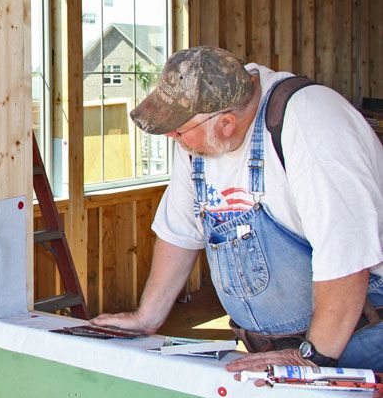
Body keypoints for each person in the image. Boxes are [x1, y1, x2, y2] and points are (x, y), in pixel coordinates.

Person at [92, 45, 383, 375]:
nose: (173, 136)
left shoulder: (310, 124)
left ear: (227, 122)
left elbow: (345, 258)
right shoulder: (196, 144)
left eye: (178, 129)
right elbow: (181, 232)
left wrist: (313, 357)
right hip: (281, 351)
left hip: (358, 341)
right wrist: (147, 316)